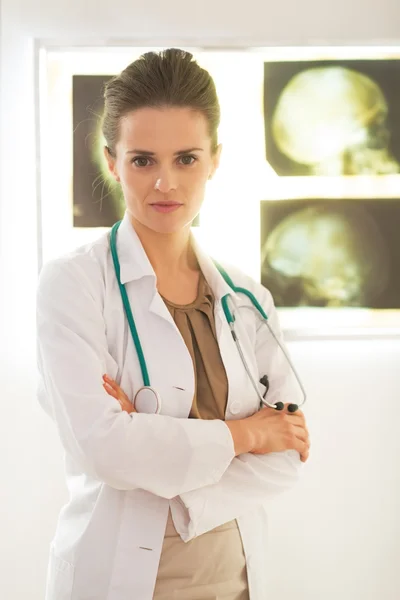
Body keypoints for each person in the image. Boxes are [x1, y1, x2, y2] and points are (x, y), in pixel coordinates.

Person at [37, 48, 310, 600]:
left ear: (214, 161)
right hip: (120, 578)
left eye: (186, 158)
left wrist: (159, 449)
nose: (165, 182)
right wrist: (243, 434)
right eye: (143, 160)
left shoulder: (246, 298)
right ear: (112, 161)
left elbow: (287, 456)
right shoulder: (74, 284)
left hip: (235, 579)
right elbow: (104, 448)